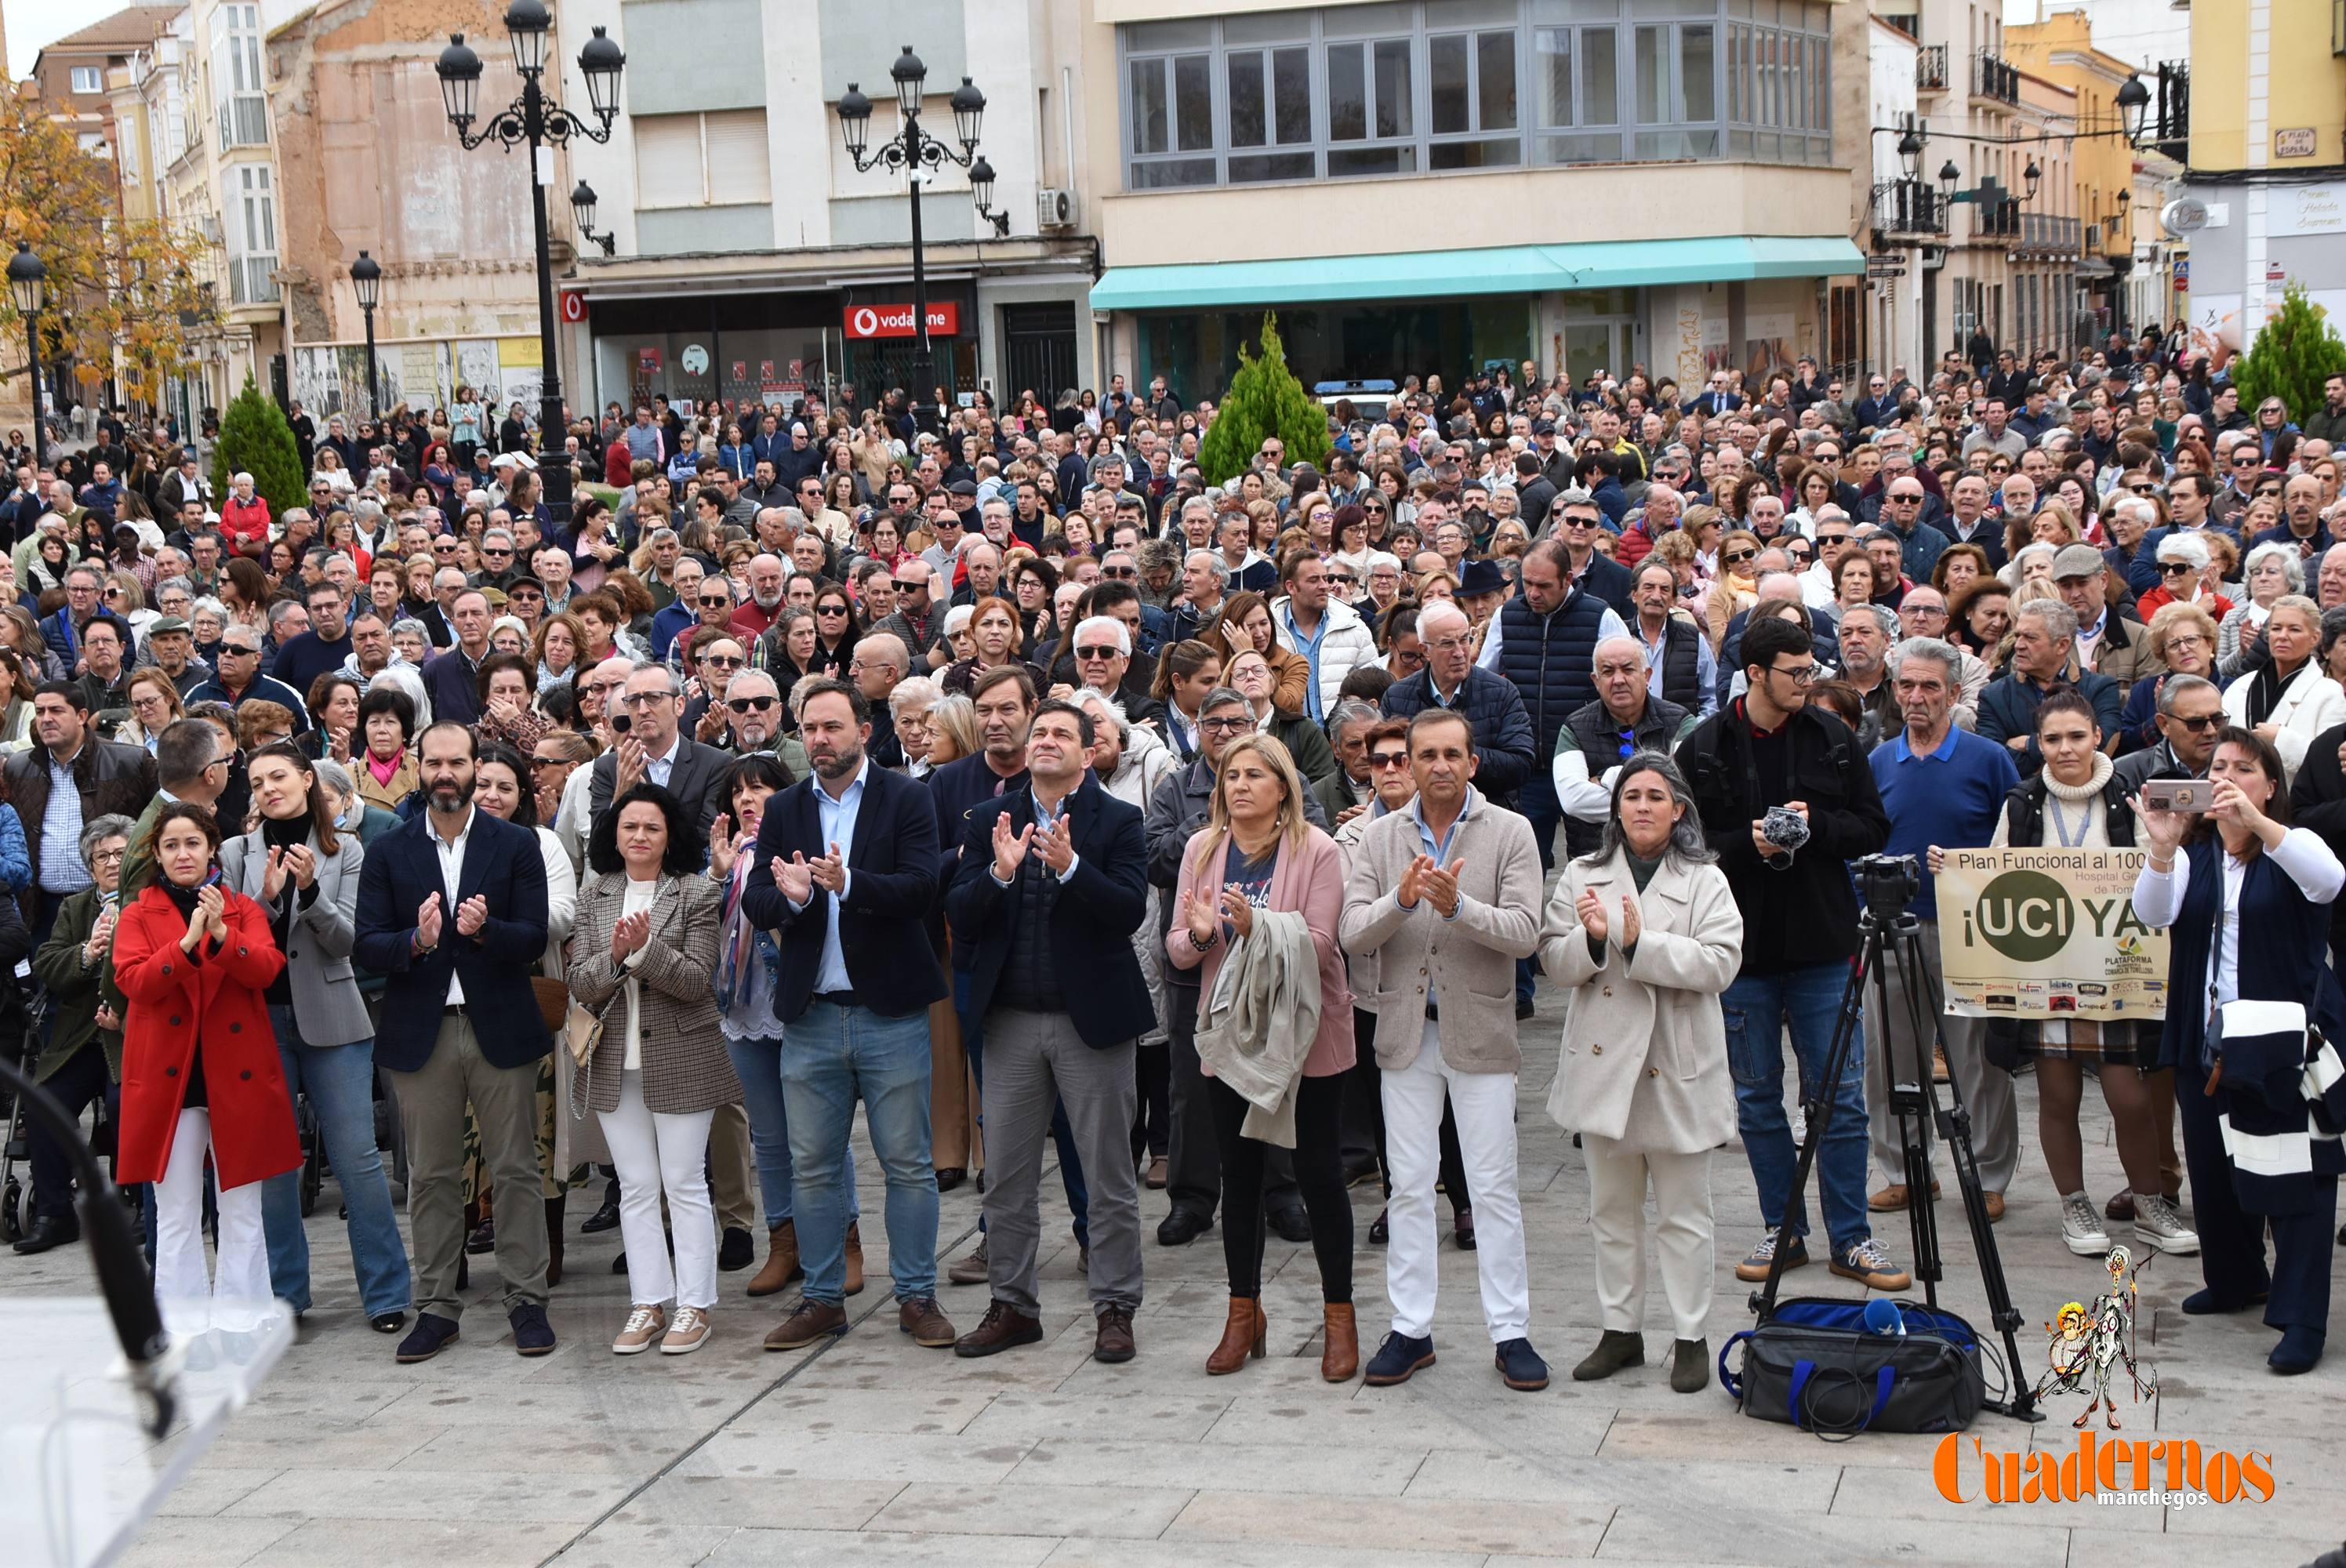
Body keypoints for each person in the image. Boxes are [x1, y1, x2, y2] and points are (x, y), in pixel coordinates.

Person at [1675, 615, 1909, 1291]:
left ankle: (1852, 1238)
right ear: (1755, 674)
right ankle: (1786, 1228)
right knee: (1755, 1100)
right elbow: (1688, 843)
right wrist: (1752, 843)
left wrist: (1816, 828)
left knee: (1840, 1097)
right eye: (1797, 672)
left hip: (1823, 946)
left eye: (1813, 670)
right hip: (1739, 953)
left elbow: (1872, 825)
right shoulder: (1707, 744)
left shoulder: (1834, 736)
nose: (1809, 682)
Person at [1339, 709, 1549, 1392]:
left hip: (1480, 1031)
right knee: (1406, 1185)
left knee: (1492, 1187)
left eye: (1449, 754)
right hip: (1405, 1034)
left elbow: (1525, 934)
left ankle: (1510, 1331)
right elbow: (1351, 934)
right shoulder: (1377, 837)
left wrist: (1460, 909)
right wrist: (1402, 902)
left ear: (1472, 762)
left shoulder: (1510, 831)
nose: (1435, 766)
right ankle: (1410, 1329)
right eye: (1423, 754)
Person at [746, 678, 957, 1352]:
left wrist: (851, 885)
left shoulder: (907, 797)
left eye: (833, 727)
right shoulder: (783, 807)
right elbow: (757, 900)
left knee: (907, 1164)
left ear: (865, 731)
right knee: (811, 1167)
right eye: (811, 729)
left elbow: (924, 888)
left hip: (888, 1012)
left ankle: (917, 1296)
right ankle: (823, 1298)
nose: (820, 740)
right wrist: (799, 900)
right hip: (809, 1015)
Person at [945, 698, 1153, 1364]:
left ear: (1088, 754)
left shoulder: (1119, 820)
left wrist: (1068, 867)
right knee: (1005, 1176)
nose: (1047, 741)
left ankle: (1115, 1307)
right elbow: (960, 914)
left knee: (1108, 1174)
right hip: (1008, 1023)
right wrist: (1002, 873)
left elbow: (1127, 913)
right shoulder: (987, 820)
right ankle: (1013, 1305)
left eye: (1063, 734)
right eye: (1041, 732)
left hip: (1091, 1024)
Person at [2133, 728, 2346, 1374]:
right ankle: (2235, 1279)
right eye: (2216, 768)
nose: (2226, 778)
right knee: (2216, 1169)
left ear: (2271, 785)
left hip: (2283, 1047)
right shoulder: (2195, 854)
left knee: (2296, 1183)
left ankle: (2302, 1319)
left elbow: (2329, 881)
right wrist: (2163, 849)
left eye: (2244, 770)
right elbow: (2153, 912)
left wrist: (2255, 822)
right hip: (2209, 1040)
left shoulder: (2295, 844)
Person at [354, 720, 557, 1363]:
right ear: (418, 767)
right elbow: (365, 944)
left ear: (476, 767)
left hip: (500, 1022)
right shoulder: (387, 850)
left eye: (457, 762)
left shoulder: (515, 842)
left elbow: (531, 936)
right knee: (432, 1176)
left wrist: (484, 929)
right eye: (434, 762)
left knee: (517, 1170)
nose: (446, 773)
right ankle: (437, 1308)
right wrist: (415, 941)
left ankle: (527, 1301)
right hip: (422, 1032)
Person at [1538, 753, 1741, 1392]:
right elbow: (1553, 960)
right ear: (1615, 809)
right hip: (1603, 1066)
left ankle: (1690, 1335)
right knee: (1611, 1211)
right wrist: (1594, 941)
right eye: (1632, 796)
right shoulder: (1582, 872)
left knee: (1685, 1214)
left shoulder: (1706, 879)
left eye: (1657, 796)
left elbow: (1720, 964)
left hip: (1676, 1064)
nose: (1643, 807)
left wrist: (1636, 943)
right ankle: (1620, 1331)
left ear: (1678, 809)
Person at [1164, 731, 1358, 1381]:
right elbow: (1180, 949)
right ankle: (1243, 1314)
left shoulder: (1319, 850)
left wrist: (1256, 926)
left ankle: (1340, 1317)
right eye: (1230, 776)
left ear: (1284, 788)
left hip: (1305, 1036)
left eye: (1254, 775)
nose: (1238, 785)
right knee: (1238, 1177)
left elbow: (1326, 945)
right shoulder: (1202, 847)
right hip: (1231, 1035)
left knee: (1320, 1176)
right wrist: (1203, 932)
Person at [1978, 691, 2197, 1256]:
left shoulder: (2129, 797)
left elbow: (2163, 871)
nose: (2065, 748)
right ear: (2039, 745)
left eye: (2076, 736)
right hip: (2049, 969)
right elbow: (1999, 874)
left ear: (2098, 737)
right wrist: (1958, 870)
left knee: (2131, 1097)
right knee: (2057, 1094)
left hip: (2120, 969)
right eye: (2052, 739)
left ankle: (2151, 1203)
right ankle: (2074, 1206)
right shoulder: (2022, 803)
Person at [225, 742, 413, 1332]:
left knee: (358, 1161)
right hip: (261, 1022)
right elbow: (233, 940)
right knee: (276, 1166)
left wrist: (309, 894)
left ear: (307, 779)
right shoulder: (235, 852)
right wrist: (267, 897)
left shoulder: (347, 849)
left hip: (333, 1017)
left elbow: (347, 940)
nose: (267, 788)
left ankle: (386, 1295)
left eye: (278, 776)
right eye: (256, 782)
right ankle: (286, 1297)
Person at [1143, 684, 1328, 1249]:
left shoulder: (1306, 835)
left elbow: (1322, 932)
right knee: (1193, 1094)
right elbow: (1156, 865)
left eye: (1235, 723)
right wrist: (1203, 932)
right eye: (1212, 724)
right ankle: (1193, 1200)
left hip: (1278, 985)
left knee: (1273, 1083)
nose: (1224, 735)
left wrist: (1258, 927)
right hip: (1201, 983)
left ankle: (1281, 1193)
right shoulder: (1181, 798)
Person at [112, 800, 299, 1334]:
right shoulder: (137, 913)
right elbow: (135, 984)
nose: (182, 854)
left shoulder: (241, 907)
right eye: (171, 845)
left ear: (211, 848)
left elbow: (266, 971)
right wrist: (188, 942)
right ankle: (182, 1322)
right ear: (157, 854)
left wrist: (221, 935)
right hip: (169, 1081)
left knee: (241, 1206)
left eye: (192, 843)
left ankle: (244, 1315)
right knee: (174, 1211)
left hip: (234, 1074)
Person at [568, 783, 740, 1356]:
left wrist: (644, 953)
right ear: (614, 835)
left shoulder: (693, 893)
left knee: (685, 1183)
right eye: (629, 827)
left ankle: (695, 1306)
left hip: (683, 1056)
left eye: (652, 828)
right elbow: (582, 983)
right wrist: (618, 957)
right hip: (615, 1059)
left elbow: (696, 980)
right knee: (637, 1186)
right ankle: (648, 1303)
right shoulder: (596, 896)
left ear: (670, 838)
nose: (639, 836)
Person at [1863, 639, 2021, 1220]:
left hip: (1970, 931)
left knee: (1976, 1058)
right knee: (1890, 1057)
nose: (1917, 697)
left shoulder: (1988, 758)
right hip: (1893, 928)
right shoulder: (1879, 761)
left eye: (1930, 686)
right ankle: (1906, 1170)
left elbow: (2015, 843)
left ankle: (1988, 1174)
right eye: (1907, 685)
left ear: (1956, 693)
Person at [710, 752, 862, 1299]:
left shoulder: (807, 849)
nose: (748, 801)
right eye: (738, 793)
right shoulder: (729, 856)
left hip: (800, 1005)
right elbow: (713, 933)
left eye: (759, 790)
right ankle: (784, 1244)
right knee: (770, 1137)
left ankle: (845, 1242)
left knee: (820, 1137)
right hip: (744, 1009)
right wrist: (719, 876)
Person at [1553, 635, 1698, 829]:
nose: (1618, 680)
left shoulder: (1680, 721)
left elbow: (1688, 789)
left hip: (1669, 850)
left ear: (1647, 675)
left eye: (1628, 669)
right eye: (1608, 671)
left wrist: (1605, 777)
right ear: (1596, 681)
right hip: (1595, 853)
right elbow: (1573, 801)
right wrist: (1657, 797)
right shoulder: (1575, 728)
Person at [2220, 594, 2342, 782]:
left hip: (2293, 803)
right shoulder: (2241, 686)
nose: (2283, 636)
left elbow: (2331, 763)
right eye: (2276, 628)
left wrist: (2282, 740)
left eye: (2294, 629)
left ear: (2315, 638)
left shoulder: (2329, 693)